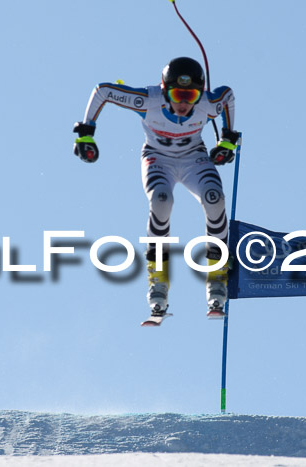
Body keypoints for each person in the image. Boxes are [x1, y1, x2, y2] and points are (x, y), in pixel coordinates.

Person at [72, 57, 238, 320]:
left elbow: (227, 95)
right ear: (164, 90)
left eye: (191, 95)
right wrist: (86, 132)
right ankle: (158, 276)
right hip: (158, 159)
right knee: (162, 201)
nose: (184, 103)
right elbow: (103, 91)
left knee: (214, 199)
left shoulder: (207, 104)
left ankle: (217, 271)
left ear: (200, 93)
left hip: (194, 158)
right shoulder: (148, 101)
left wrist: (228, 138)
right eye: (177, 94)